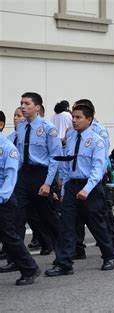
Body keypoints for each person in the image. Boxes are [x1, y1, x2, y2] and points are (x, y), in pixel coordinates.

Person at [45, 103, 114, 277]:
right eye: (73, 117)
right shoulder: (70, 137)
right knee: (66, 225)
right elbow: (67, 165)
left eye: (78, 118)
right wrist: (63, 190)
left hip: (90, 187)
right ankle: (63, 263)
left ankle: (109, 255)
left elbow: (98, 169)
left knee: (96, 224)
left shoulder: (97, 140)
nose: (74, 121)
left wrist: (87, 189)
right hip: (71, 186)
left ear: (89, 119)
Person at [0, 93, 61, 273]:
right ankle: (15, 260)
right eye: (21, 103)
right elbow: (18, 155)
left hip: (41, 176)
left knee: (48, 219)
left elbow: (54, 157)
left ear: (37, 107)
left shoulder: (48, 128)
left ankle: (63, 259)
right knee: (16, 220)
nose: (23, 107)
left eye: (27, 104)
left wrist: (48, 183)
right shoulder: (21, 128)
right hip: (23, 176)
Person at [0, 131, 41, 285]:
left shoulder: (8, 149)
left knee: (9, 237)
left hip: (4, 200)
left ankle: (30, 268)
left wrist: (1, 198)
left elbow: (10, 178)